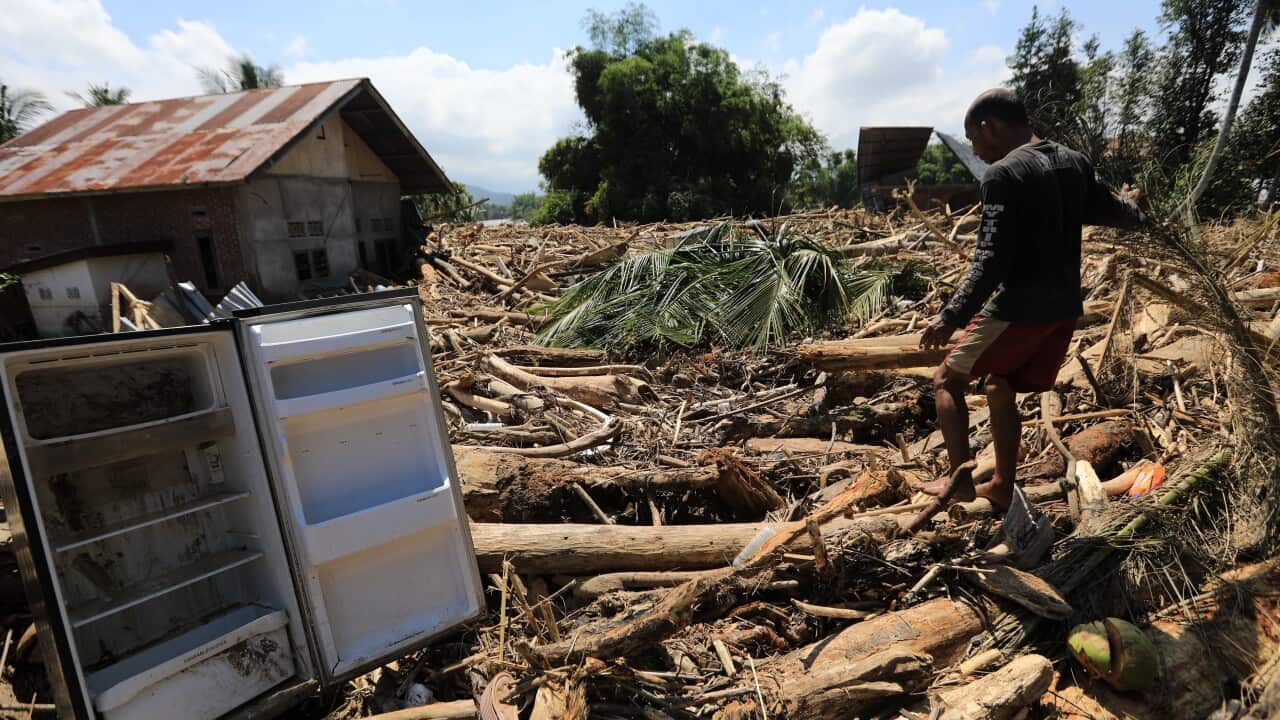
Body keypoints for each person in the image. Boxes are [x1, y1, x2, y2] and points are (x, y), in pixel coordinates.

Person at [916, 88, 1146, 511]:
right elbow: (1113, 212)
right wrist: (1138, 210)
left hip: (1018, 308)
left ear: (990, 127)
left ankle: (960, 481)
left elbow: (990, 261)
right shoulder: (1074, 162)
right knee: (997, 383)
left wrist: (951, 316)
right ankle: (1002, 486)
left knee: (947, 380)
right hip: (1062, 311)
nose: (976, 151)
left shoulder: (1002, 175)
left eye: (973, 140)